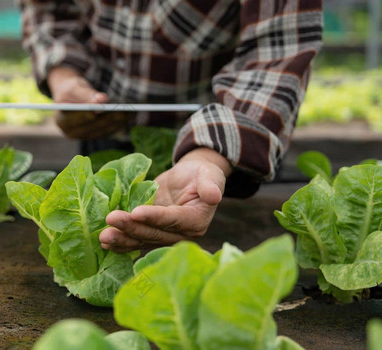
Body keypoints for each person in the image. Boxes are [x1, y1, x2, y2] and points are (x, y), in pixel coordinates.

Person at [20, 0, 323, 252]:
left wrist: (206, 159)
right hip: (104, 134)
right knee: (109, 241)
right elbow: (47, 8)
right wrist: (65, 78)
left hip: (225, 160)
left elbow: (277, 53)